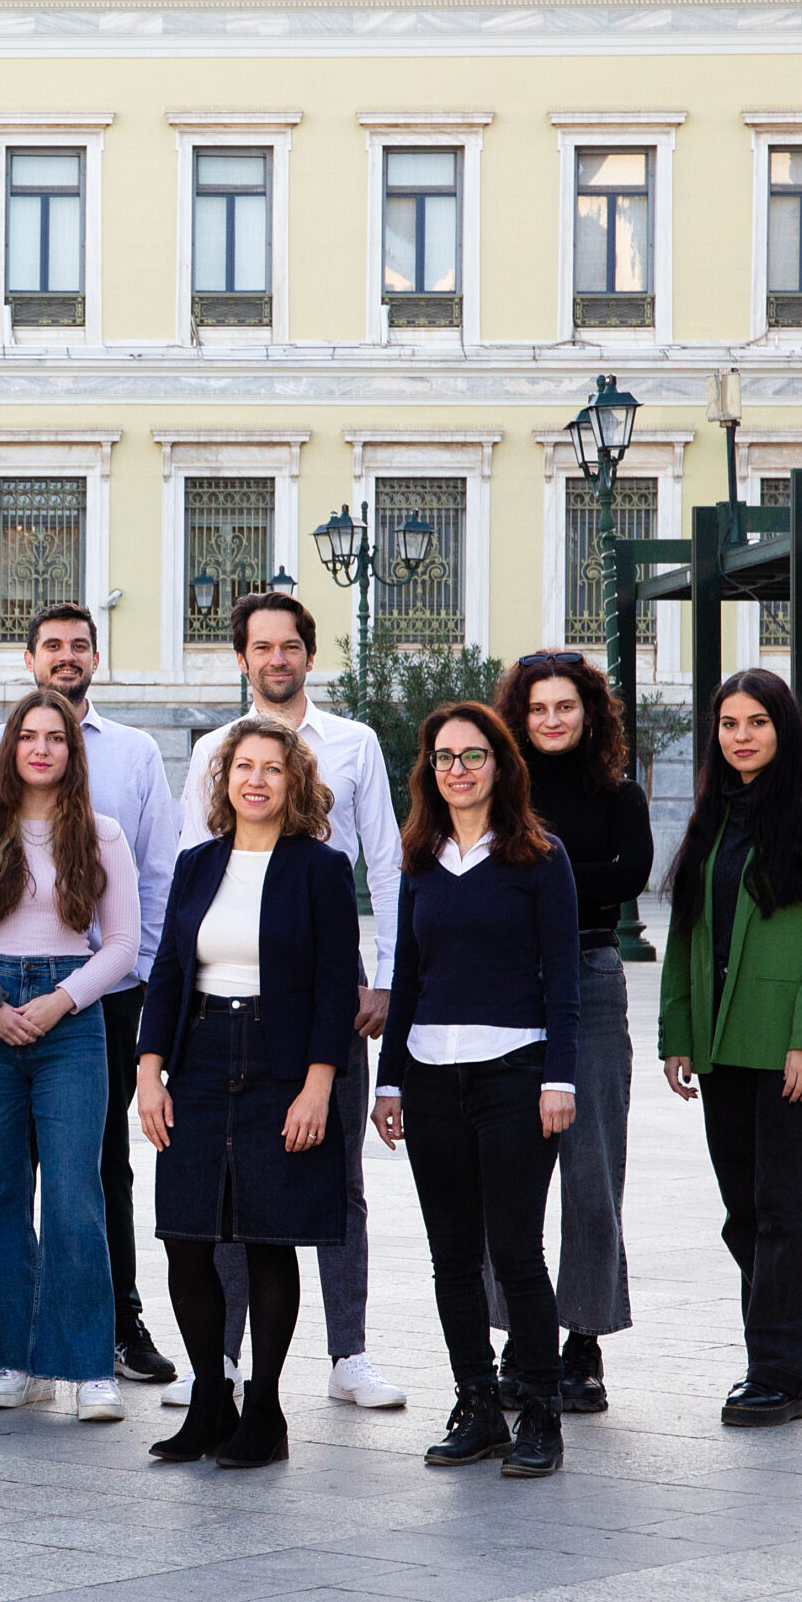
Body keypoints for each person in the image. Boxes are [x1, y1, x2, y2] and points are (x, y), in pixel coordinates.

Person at [172, 592, 408, 1414]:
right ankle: (227, 1358)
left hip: (325, 995)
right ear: (242, 658)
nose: (276, 658)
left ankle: (350, 1352)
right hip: (226, 1004)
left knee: (336, 1173)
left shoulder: (355, 745)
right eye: (261, 646)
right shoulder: (213, 750)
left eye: (290, 645)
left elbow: (385, 863)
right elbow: (186, 882)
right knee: (231, 1181)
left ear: (310, 653)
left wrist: (384, 978)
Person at [0, 603, 180, 1385]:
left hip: (99, 990)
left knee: (92, 1171)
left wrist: (117, 985)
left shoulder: (135, 758)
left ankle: (106, 1335)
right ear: (29, 659)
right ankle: (8, 1350)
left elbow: (155, 877)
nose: (67, 656)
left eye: (80, 645)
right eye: (53, 645)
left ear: (96, 656)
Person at [136, 716, 358, 1469]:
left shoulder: (321, 868)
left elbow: (336, 985)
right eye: (243, 767)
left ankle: (263, 1408)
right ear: (223, 780)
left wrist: (317, 1084)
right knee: (187, 1236)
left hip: (281, 1061)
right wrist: (148, 1070)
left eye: (272, 767)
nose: (256, 779)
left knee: (267, 1234)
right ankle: (210, 1400)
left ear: (294, 782)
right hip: (199, 1056)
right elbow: (168, 970)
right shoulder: (197, 864)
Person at [375, 702, 579, 1479]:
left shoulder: (539, 855)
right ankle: (478, 1403)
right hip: (429, 1077)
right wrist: (388, 1078)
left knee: (517, 1252)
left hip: (517, 1076)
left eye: (472, 755)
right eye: (442, 757)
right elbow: (409, 979)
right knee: (452, 1256)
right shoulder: (419, 858)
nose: (457, 769)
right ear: (429, 770)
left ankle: (542, 1414)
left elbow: (562, 981)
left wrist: (559, 1077)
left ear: (501, 763)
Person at [0, 691, 140, 1422]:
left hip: (71, 1020)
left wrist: (61, 1001)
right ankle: (11, 1356)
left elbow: (121, 945)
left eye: (57, 737)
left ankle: (85, 1365)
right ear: (10, 748)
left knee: (75, 1194)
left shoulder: (103, 834)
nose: (43, 748)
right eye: (30, 736)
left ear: (72, 751)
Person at [660, 668, 802, 1428]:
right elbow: (687, 932)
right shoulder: (713, 818)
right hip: (721, 1050)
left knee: (789, 1211)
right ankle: (788, 1354)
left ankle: (775, 1370)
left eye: (757, 722)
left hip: (791, 1053)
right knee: (743, 1214)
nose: (741, 736)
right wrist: (678, 1031)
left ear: (785, 729)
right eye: (729, 723)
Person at [487, 652, 652, 1413]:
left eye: (566, 706)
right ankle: (522, 1345)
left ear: (590, 714)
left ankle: (581, 1345)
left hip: (589, 976)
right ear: (518, 716)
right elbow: (483, 877)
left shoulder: (620, 794)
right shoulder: (495, 793)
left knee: (591, 1173)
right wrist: (571, 872)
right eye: (539, 708)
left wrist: (539, 872)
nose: (552, 719)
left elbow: (632, 876)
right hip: (508, 983)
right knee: (507, 1176)